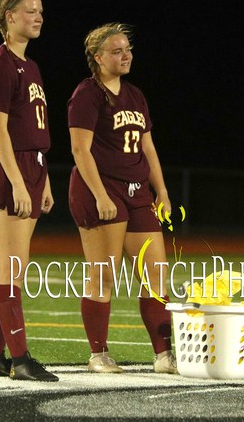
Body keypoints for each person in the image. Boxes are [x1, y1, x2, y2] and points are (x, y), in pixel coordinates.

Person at [67, 22, 177, 374]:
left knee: (157, 275)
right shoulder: (87, 93)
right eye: (116, 50)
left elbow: (148, 147)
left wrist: (161, 190)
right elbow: (79, 150)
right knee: (103, 275)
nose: (126, 55)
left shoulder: (135, 94)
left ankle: (164, 355)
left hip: (137, 191)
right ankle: (98, 355)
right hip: (103, 189)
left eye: (128, 49)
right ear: (98, 57)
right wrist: (99, 195)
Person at [0, 0, 58, 381]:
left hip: (31, 168)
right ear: (10, 17)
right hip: (12, 172)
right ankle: (22, 359)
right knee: (14, 266)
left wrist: (42, 180)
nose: (38, 15)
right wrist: (19, 182)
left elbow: (34, 129)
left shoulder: (31, 66)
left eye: (40, 9)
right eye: (30, 9)